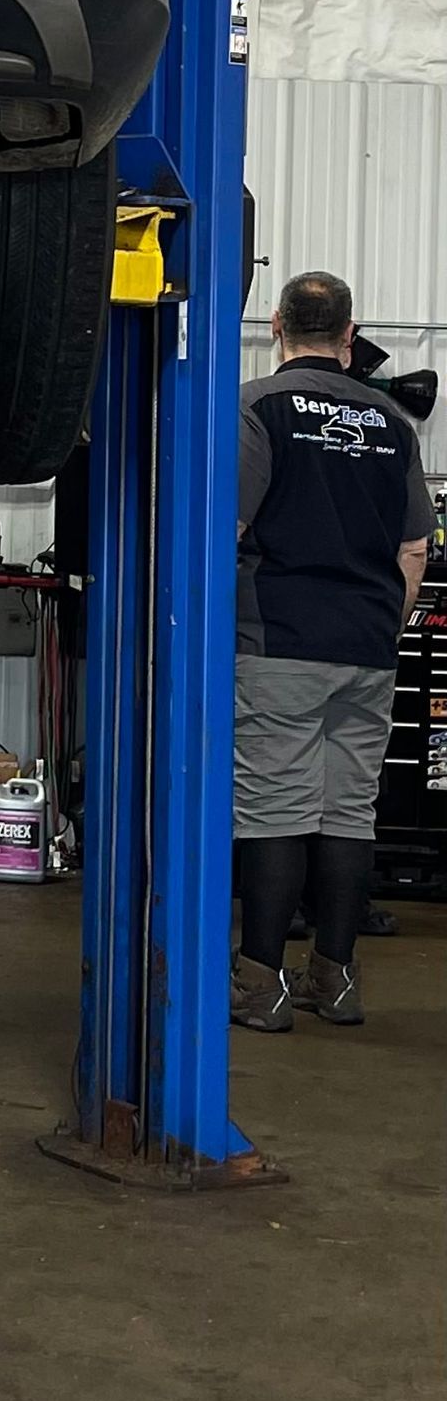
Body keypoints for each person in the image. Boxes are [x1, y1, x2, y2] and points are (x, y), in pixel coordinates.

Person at [233, 269, 432, 1030]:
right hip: (368, 645)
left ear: (278, 325)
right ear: (350, 336)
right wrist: (385, 624)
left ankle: (261, 989)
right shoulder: (392, 421)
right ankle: (335, 981)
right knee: (349, 814)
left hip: (280, 639)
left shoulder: (256, 406)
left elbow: (231, 527)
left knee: (275, 811)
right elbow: (415, 548)